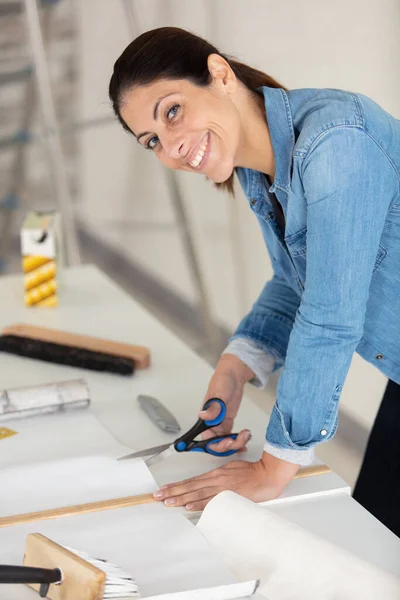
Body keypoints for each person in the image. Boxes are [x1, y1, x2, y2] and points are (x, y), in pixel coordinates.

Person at [109, 27, 400, 535]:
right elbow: (296, 282)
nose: (172, 147)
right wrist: (237, 366)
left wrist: (274, 467)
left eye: (172, 111)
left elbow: (330, 316)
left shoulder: (335, 146)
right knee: (377, 534)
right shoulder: (256, 167)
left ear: (219, 73)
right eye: (152, 140)